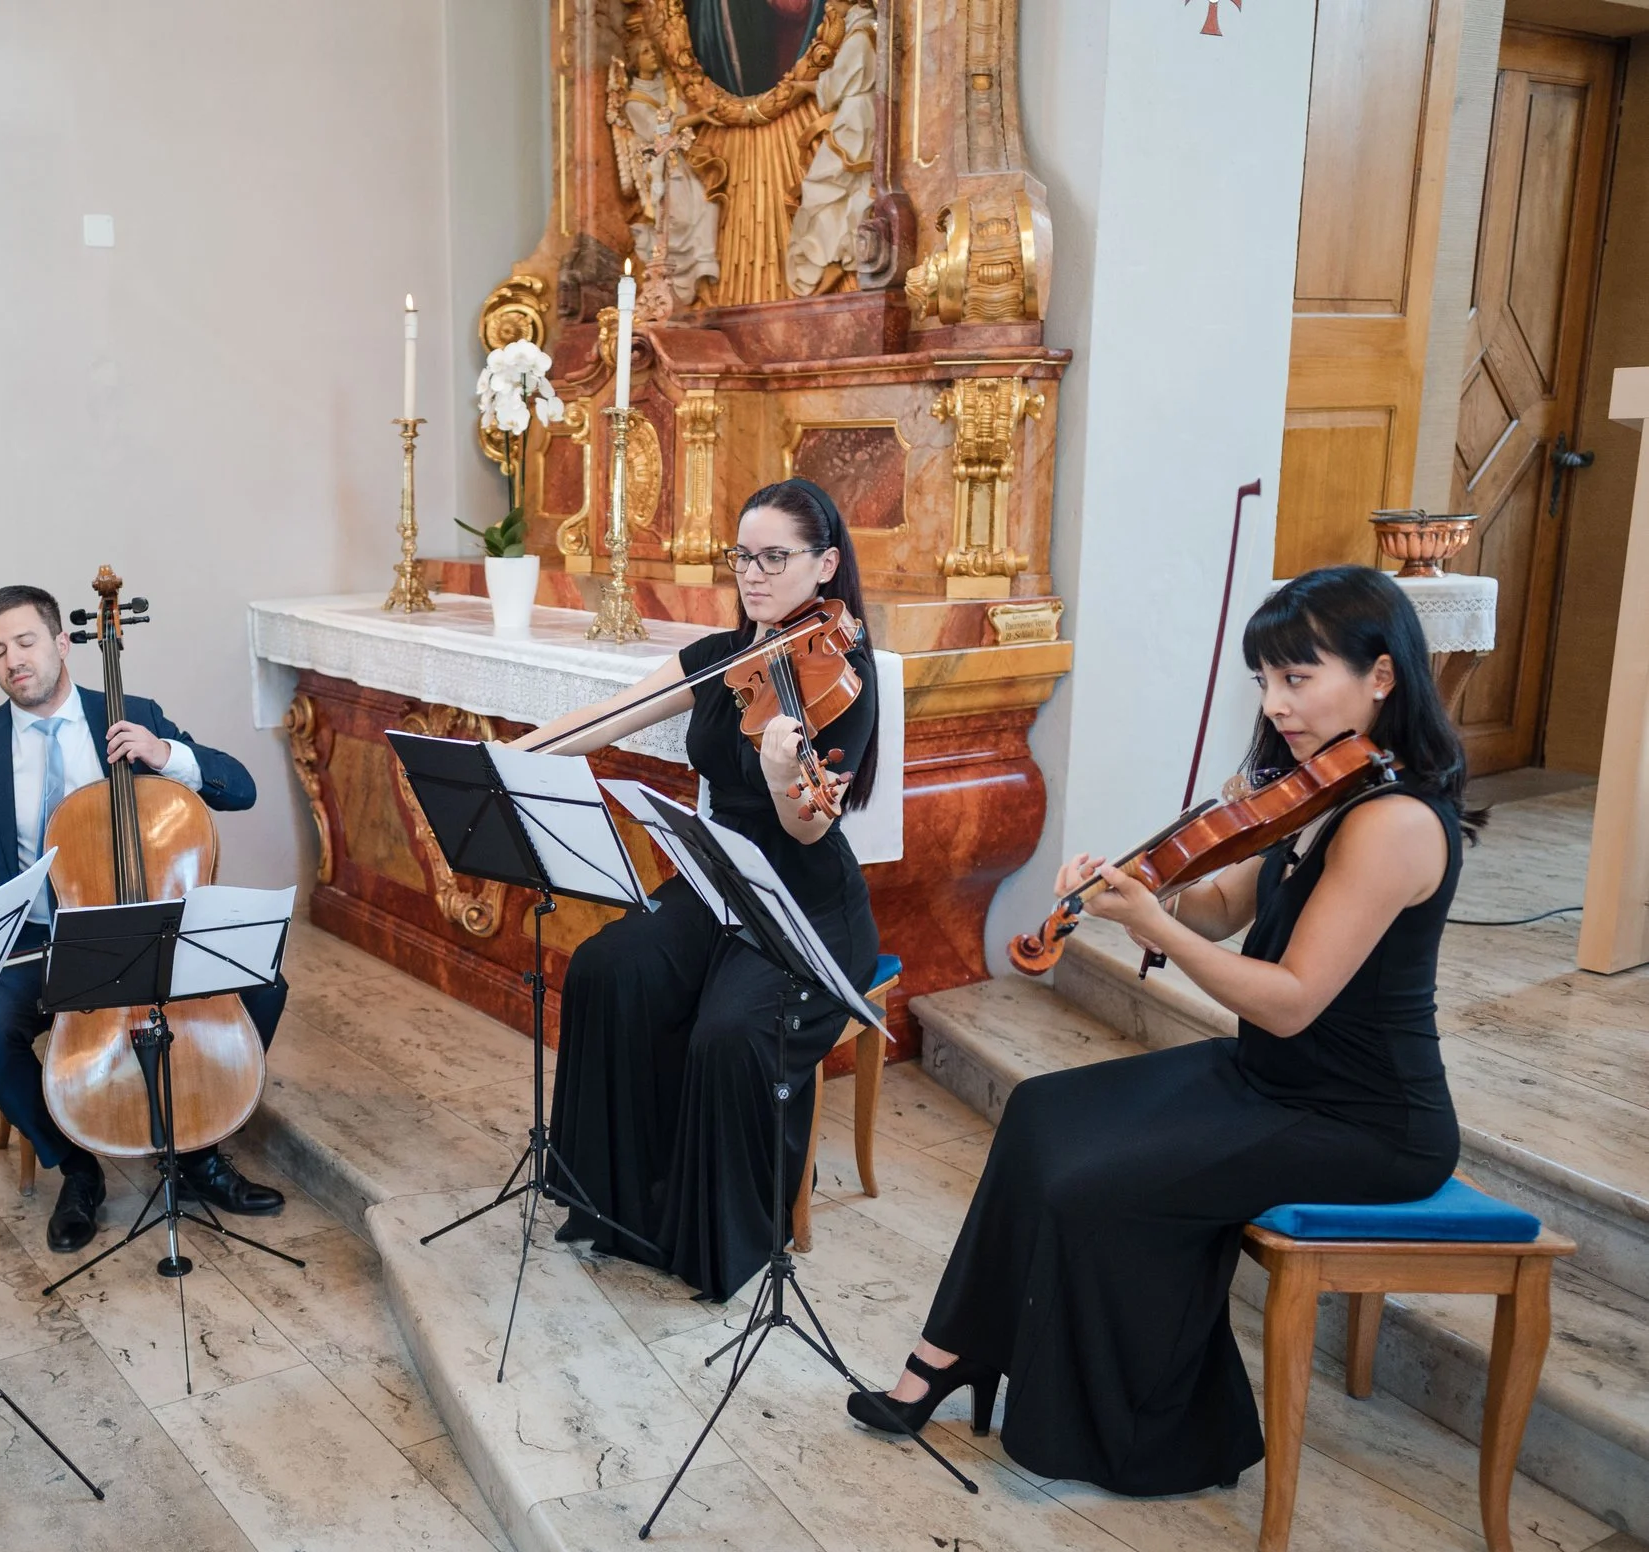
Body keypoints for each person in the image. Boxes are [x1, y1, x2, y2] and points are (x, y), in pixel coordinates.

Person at [851, 564, 1473, 1496]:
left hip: (1363, 1118)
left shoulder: (1393, 823)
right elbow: (1223, 907)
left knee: (1099, 1186)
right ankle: (951, 1354)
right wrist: (1138, 894)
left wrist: (1156, 929)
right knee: (1042, 1114)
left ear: (1382, 676)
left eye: (1297, 679)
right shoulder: (1323, 789)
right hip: (1274, 1080)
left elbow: (1293, 996)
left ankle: (1166, 1436)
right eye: (1265, 680)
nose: (1275, 704)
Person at [511, 477, 880, 1302]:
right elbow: (598, 719)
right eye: (742, 555)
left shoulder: (841, 673)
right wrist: (508, 760)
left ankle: (720, 1236)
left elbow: (809, 828)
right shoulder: (723, 658)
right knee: (610, 967)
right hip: (719, 881)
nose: (752, 573)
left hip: (805, 904)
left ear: (824, 565)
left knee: (726, 1032)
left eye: (774, 557)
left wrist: (790, 775)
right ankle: (616, 1205)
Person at [0, 584, 287, 1256]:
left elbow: (241, 787)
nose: (14, 661)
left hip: (145, 924)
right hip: (36, 942)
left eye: (26, 642)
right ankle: (76, 1168)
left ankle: (198, 1150)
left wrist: (166, 756)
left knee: (263, 983)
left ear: (63, 643)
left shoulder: (131, 716)